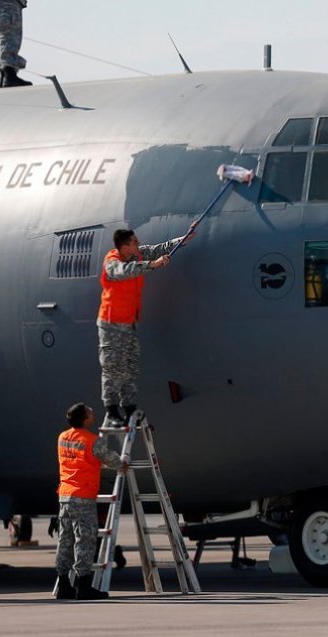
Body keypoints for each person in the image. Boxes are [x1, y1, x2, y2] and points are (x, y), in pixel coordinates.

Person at [97, 228, 194, 428]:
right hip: (111, 323)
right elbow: (125, 271)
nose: (138, 243)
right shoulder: (112, 262)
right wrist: (153, 265)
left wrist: (183, 239)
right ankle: (113, 410)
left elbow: (159, 249)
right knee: (113, 366)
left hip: (129, 322)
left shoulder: (136, 254)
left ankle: (129, 407)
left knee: (131, 365)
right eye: (134, 242)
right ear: (124, 247)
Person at [55, 403, 124, 600]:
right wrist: (122, 463)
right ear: (85, 418)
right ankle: (83, 586)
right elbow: (110, 459)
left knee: (65, 540)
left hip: (65, 494)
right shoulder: (91, 440)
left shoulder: (63, 437)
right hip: (82, 496)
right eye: (89, 410)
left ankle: (63, 584)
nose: (93, 411)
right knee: (84, 540)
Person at [0, 0, 31, 88]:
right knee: (10, 39)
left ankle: (5, 75)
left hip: (6, 4)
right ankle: (9, 75)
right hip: (8, 4)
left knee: (7, 38)